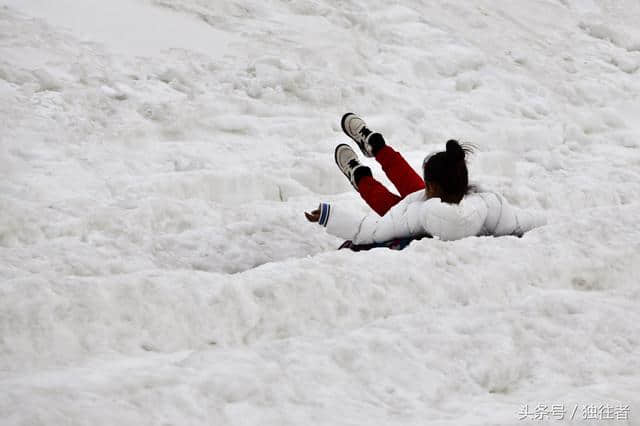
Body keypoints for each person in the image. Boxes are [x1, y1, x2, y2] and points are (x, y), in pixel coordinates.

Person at [305, 113, 546, 246]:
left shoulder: (419, 211)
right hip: (446, 204)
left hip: (415, 220)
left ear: (432, 186)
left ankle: (374, 151)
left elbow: (371, 230)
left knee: (402, 202)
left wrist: (329, 216)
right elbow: (522, 221)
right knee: (411, 194)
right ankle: (361, 174)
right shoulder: (488, 203)